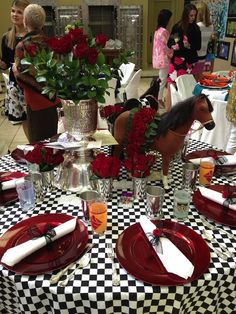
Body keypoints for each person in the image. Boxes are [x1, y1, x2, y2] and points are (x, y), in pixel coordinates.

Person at [14, 4, 59, 143]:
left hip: (35, 102)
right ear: (43, 22)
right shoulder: (52, 43)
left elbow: (21, 77)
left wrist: (15, 71)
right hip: (53, 99)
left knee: (39, 145)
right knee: (53, 141)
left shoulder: (23, 46)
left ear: (25, 21)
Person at [166, 3, 201, 111]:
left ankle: (185, 112)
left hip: (190, 63)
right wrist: (174, 45)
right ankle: (168, 112)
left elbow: (198, 46)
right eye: (191, 15)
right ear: (185, 15)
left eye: (194, 15)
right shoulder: (177, 27)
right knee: (171, 85)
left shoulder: (195, 29)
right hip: (177, 61)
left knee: (187, 88)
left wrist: (189, 46)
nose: (193, 18)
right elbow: (170, 42)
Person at [0, 0, 29, 125]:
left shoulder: (33, 36)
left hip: (30, 85)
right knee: (22, 122)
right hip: (14, 86)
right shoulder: (7, 37)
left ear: (26, 16)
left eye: (19, 12)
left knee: (33, 120)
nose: (14, 14)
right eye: (13, 11)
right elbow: (5, 64)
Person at [152, 9, 173, 110]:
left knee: (162, 78)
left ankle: (158, 97)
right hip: (164, 58)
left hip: (158, 57)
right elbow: (165, 46)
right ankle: (159, 99)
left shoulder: (157, 30)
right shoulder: (164, 31)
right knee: (163, 80)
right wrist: (172, 51)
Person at [194, 2, 214, 80]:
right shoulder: (211, 27)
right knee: (198, 79)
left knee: (191, 79)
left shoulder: (197, 26)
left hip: (194, 56)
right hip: (203, 56)